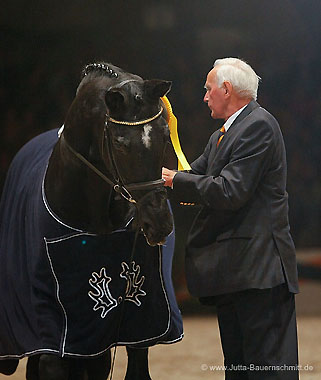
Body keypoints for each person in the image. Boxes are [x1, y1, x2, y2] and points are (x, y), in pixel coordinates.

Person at [162, 57, 299, 380]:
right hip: (238, 273)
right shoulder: (222, 135)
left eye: (209, 90)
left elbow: (230, 190)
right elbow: (189, 179)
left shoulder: (259, 125)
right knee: (239, 368)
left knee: (267, 368)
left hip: (260, 270)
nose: (205, 97)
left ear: (226, 89)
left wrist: (174, 180)